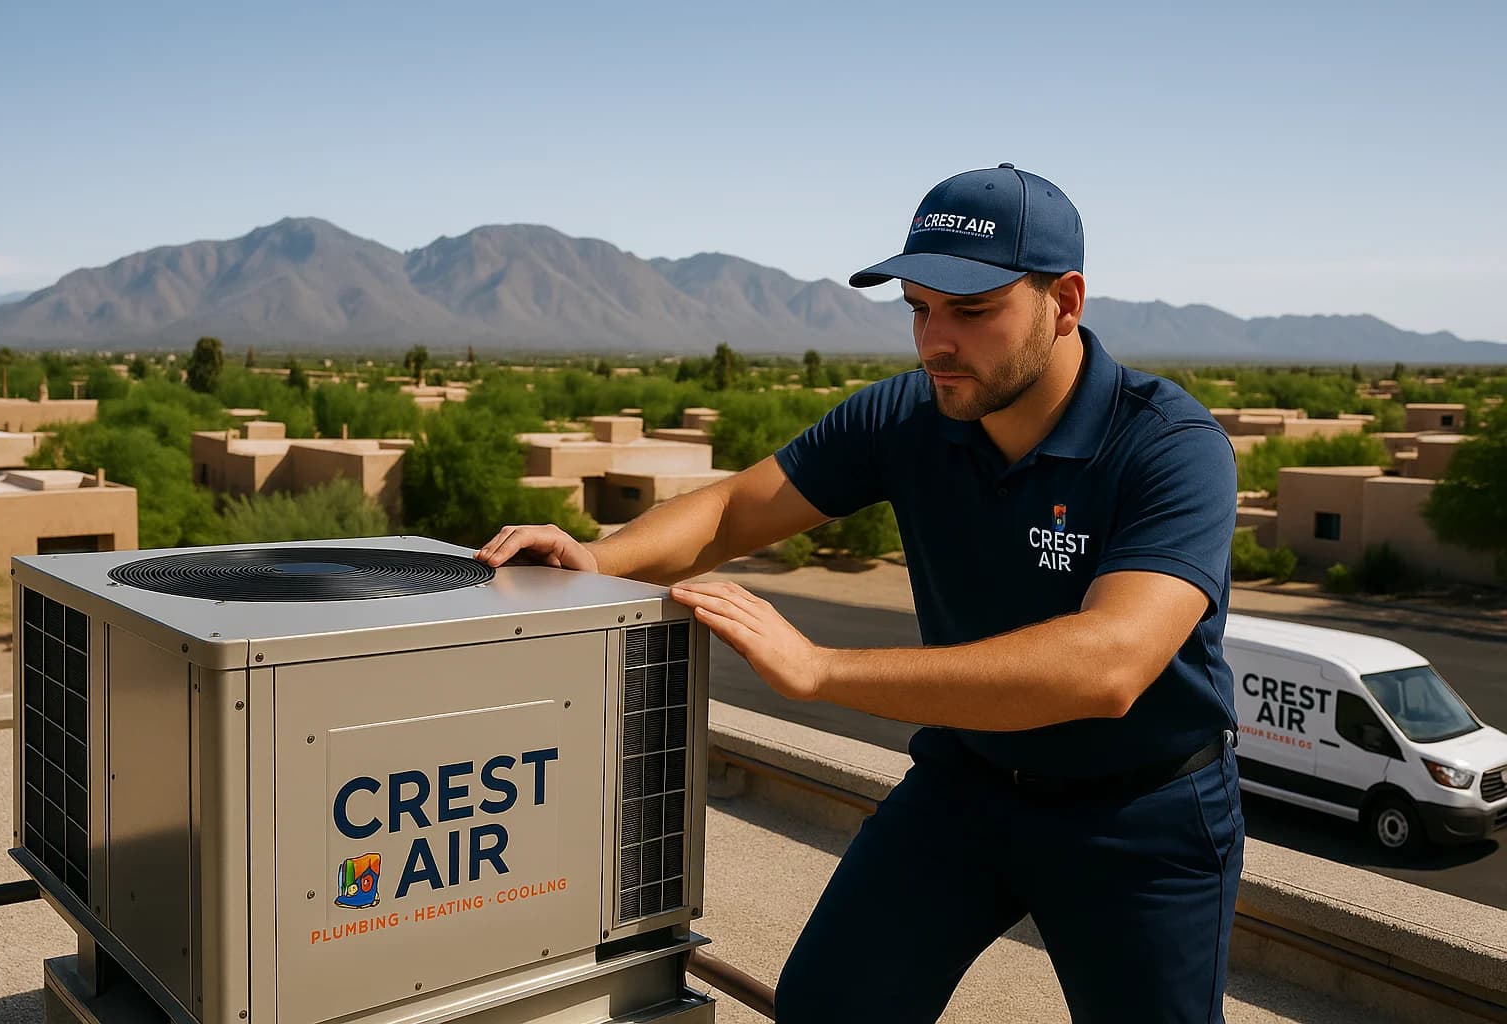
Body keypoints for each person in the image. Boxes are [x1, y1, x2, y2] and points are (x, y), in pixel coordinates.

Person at [476, 164, 1242, 1023]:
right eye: (918, 308)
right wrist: (597, 558)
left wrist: (821, 669)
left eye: (971, 310)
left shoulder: (1170, 447)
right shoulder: (910, 415)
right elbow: (733, 510)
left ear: (1064, 302)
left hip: (1140, 812)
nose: (933, 342)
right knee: (829, 1008)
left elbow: (1108, 665)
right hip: (968, 786)